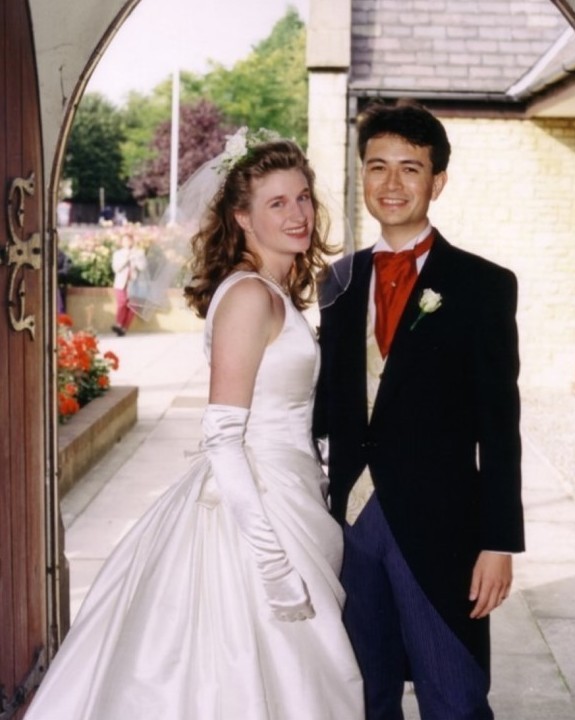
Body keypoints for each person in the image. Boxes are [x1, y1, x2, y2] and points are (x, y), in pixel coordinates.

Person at [24, 131, 364, 720]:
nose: (297, 214)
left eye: (303, 197)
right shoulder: (250, 298)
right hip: (251, 514)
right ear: (242, 217)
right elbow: (224, 439)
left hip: (290, 491)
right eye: (276, 203)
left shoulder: (275, 293)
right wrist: (272, 561)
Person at [314, 99, 525, 719]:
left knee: (453, 696)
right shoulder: (338, 283)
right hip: (353, 524)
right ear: (362, 177)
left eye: (411, 168)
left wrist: (498, 542)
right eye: (378, 167)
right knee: (365, 696)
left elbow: (501, 427)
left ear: (438, 181)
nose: (392, 183)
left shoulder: (484, 286)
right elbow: (328, 404)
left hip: (443, 530)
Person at [110, 232, 146, 336]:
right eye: (125, 240)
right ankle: (119, 324)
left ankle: (124, 328)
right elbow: (116, 268)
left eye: (129, 240)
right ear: (121, 242)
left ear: (132, 241)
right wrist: (126, 258)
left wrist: (136, 259)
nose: (127, 242)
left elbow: (143, 267)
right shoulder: (118, 254)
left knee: (133, 306)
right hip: (121, 283)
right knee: (122, 303)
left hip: (134, 283)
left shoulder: (139, 253)